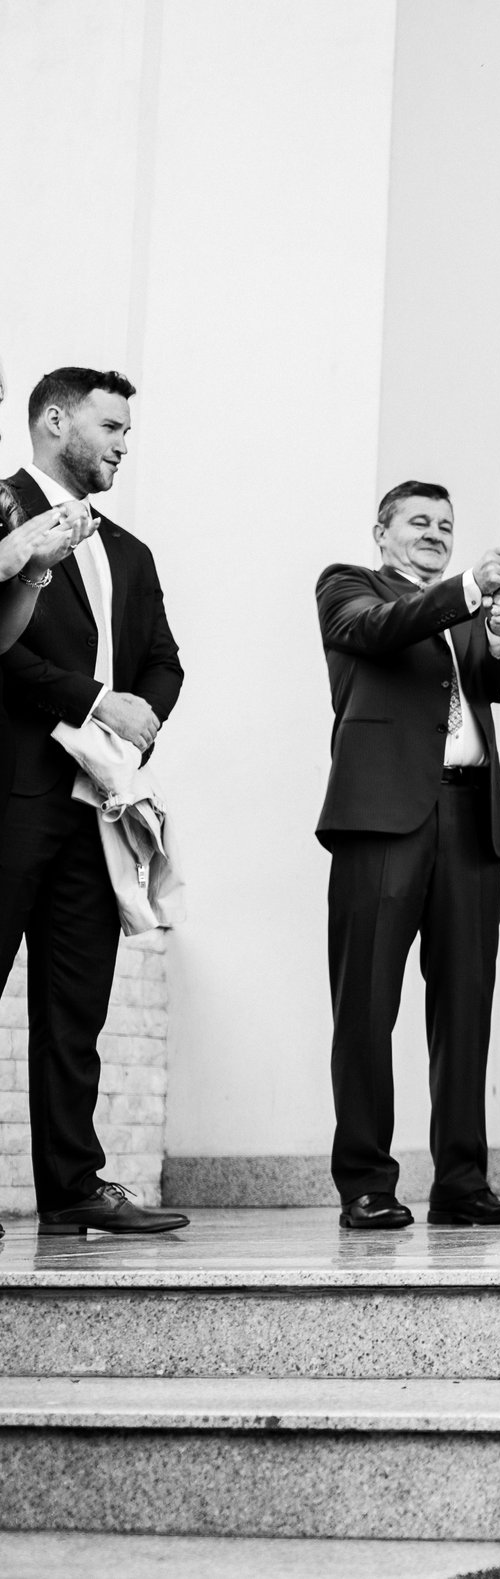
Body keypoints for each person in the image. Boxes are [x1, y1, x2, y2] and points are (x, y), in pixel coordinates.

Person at [0, 368, 187, 1236]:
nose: (122, 444)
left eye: (127, 431)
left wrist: (133, 727)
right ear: (53, 420)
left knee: (78, 1005)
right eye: (110, 426)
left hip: (95, 805)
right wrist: (88, 698)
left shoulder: (131, 550)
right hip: (12, 793)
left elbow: (164, 662)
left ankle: (73, 1183)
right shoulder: (2, 513)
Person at [317, 482, 500, 1232]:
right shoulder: (349, 588)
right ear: (382, 532)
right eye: (419, 522)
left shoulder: (467, 611)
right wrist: (471, 587)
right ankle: (368, 1183)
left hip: (470, 818)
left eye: (446, 523)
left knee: (467, 1006)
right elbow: (381, 631)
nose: (436, 532)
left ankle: (463, 1183)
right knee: (367, 1005)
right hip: (382, 822)